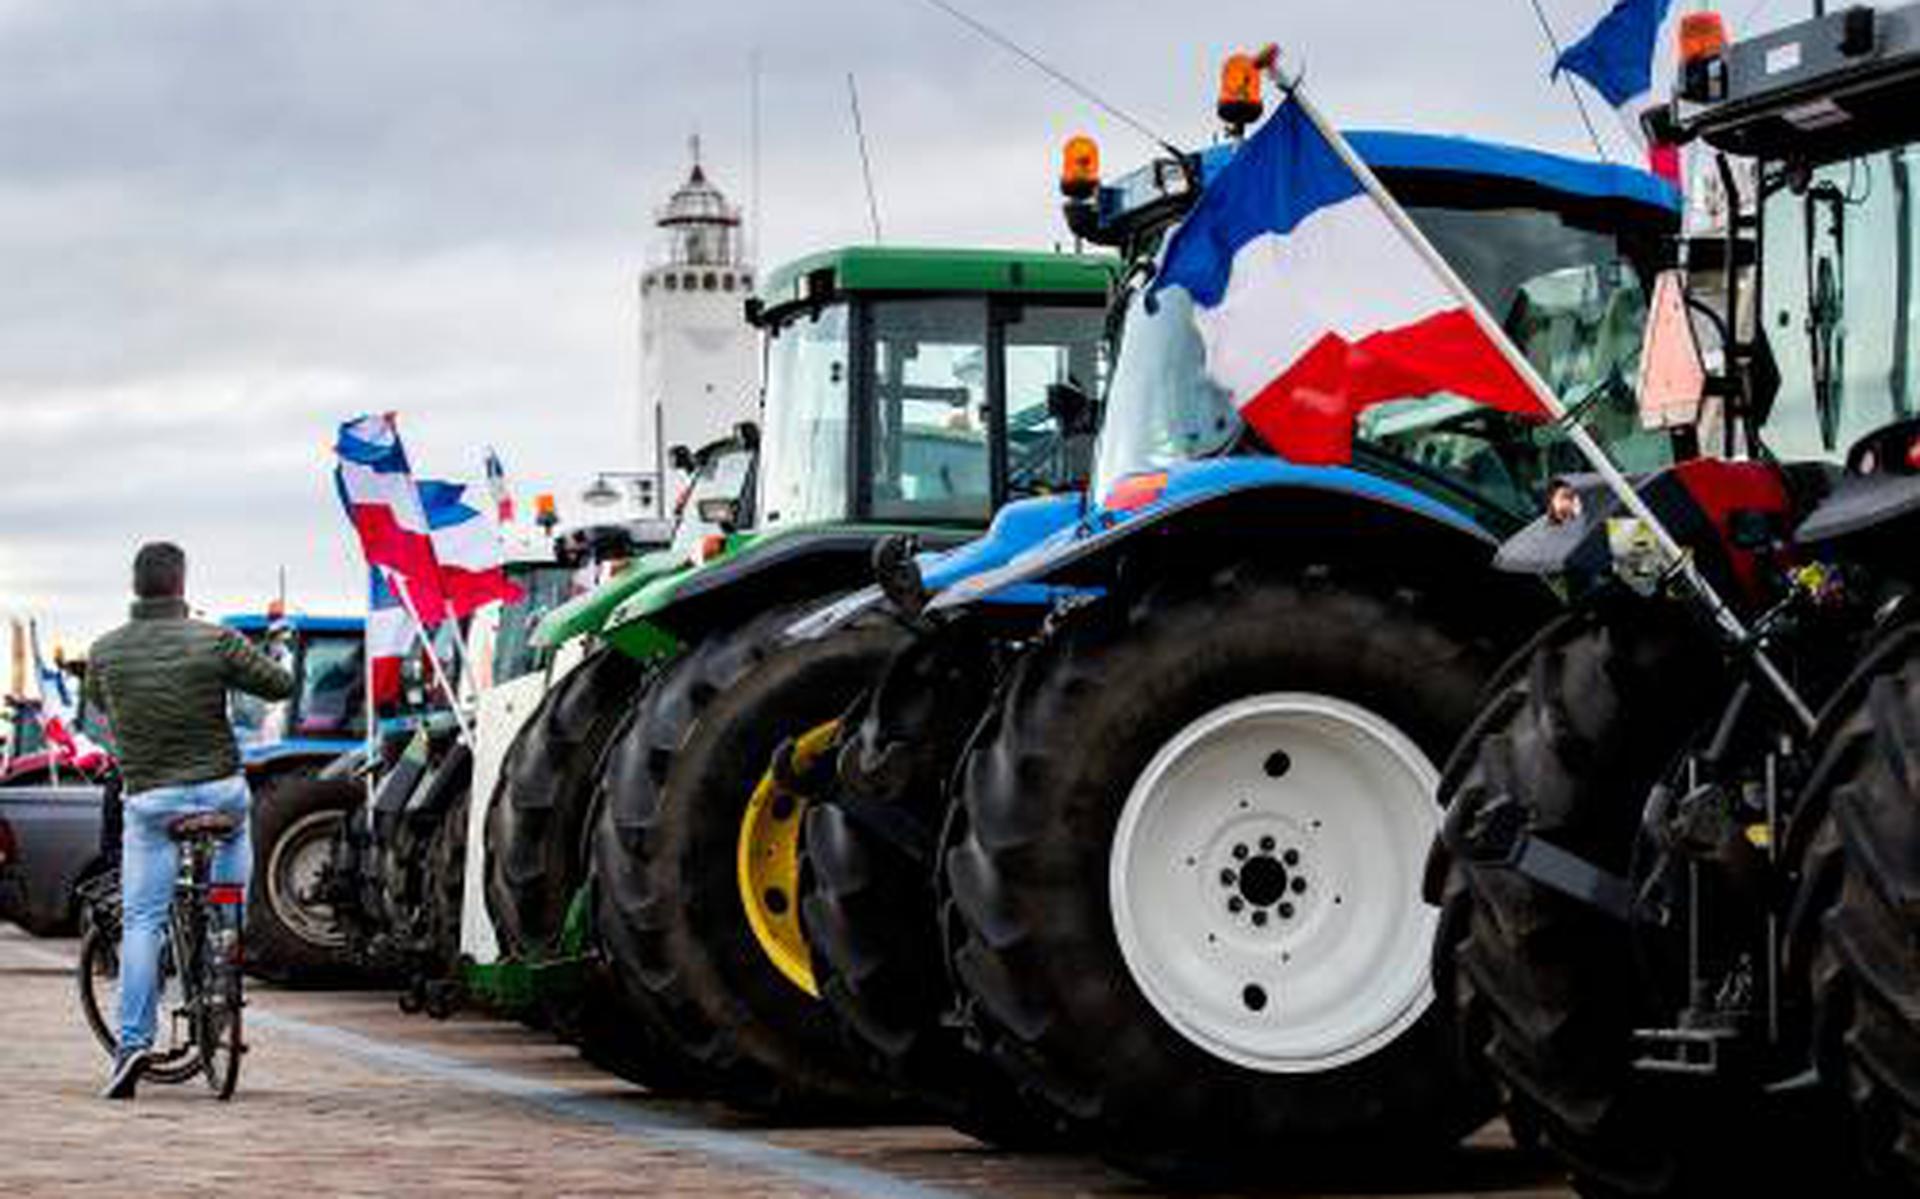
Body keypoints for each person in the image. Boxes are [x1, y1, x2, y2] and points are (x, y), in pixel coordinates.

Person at [84, 542, 292, 1099]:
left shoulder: (105, 651)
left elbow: (96, 716)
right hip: (220, 795)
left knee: (143, 921)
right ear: (181, 583)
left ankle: (132, 1047)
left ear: (136, 585)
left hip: (152, 801)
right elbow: (279, 686)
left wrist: (132, 749)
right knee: (232, 860)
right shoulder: (214, 639)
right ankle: (225, 938)